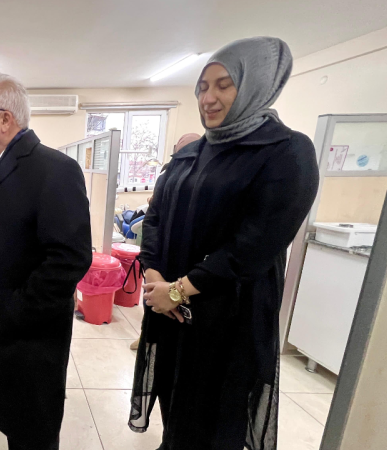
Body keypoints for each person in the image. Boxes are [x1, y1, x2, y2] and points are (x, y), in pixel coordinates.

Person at [130, 37, 319, 450]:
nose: (208, 98)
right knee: (175, 410)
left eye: (223, 85)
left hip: (227, 319)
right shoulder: (192, 153)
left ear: (255, 86)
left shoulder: (285, 152)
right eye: (202, 87)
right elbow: (155, 216)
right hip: (170, 310)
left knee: (215, 423)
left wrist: (178, 290)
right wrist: (156, 276)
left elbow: (254, 245)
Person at [0, 73, 92, 450]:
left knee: (32, 431)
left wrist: (16, 310)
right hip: (4, 332)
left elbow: (70, 257)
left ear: (5, 119)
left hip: (29, 335)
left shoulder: (55, 169)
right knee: (13, 421)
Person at [130, 132, 201, 352]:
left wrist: (176, 291)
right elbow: (152, 220)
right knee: (153, 304)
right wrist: (152, 271)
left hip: (193, 274)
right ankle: (146, 334)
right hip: (161, 264)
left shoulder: (207, 178)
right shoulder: (167, 175)